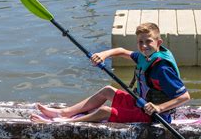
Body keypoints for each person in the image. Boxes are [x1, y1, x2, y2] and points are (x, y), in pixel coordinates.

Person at [30, 22, 190, 123]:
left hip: (153, 115)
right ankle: (65, 112)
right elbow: (120, 51)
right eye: (140, 42)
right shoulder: (144, 57)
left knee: (104, 111)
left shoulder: (162, 69)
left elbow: (184, 97)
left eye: (148, 41)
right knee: (107, 90)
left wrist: (159, 108)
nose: (144, 46)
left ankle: (64, 123)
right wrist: (103, 55)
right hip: (139, 103)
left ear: (158, 42)